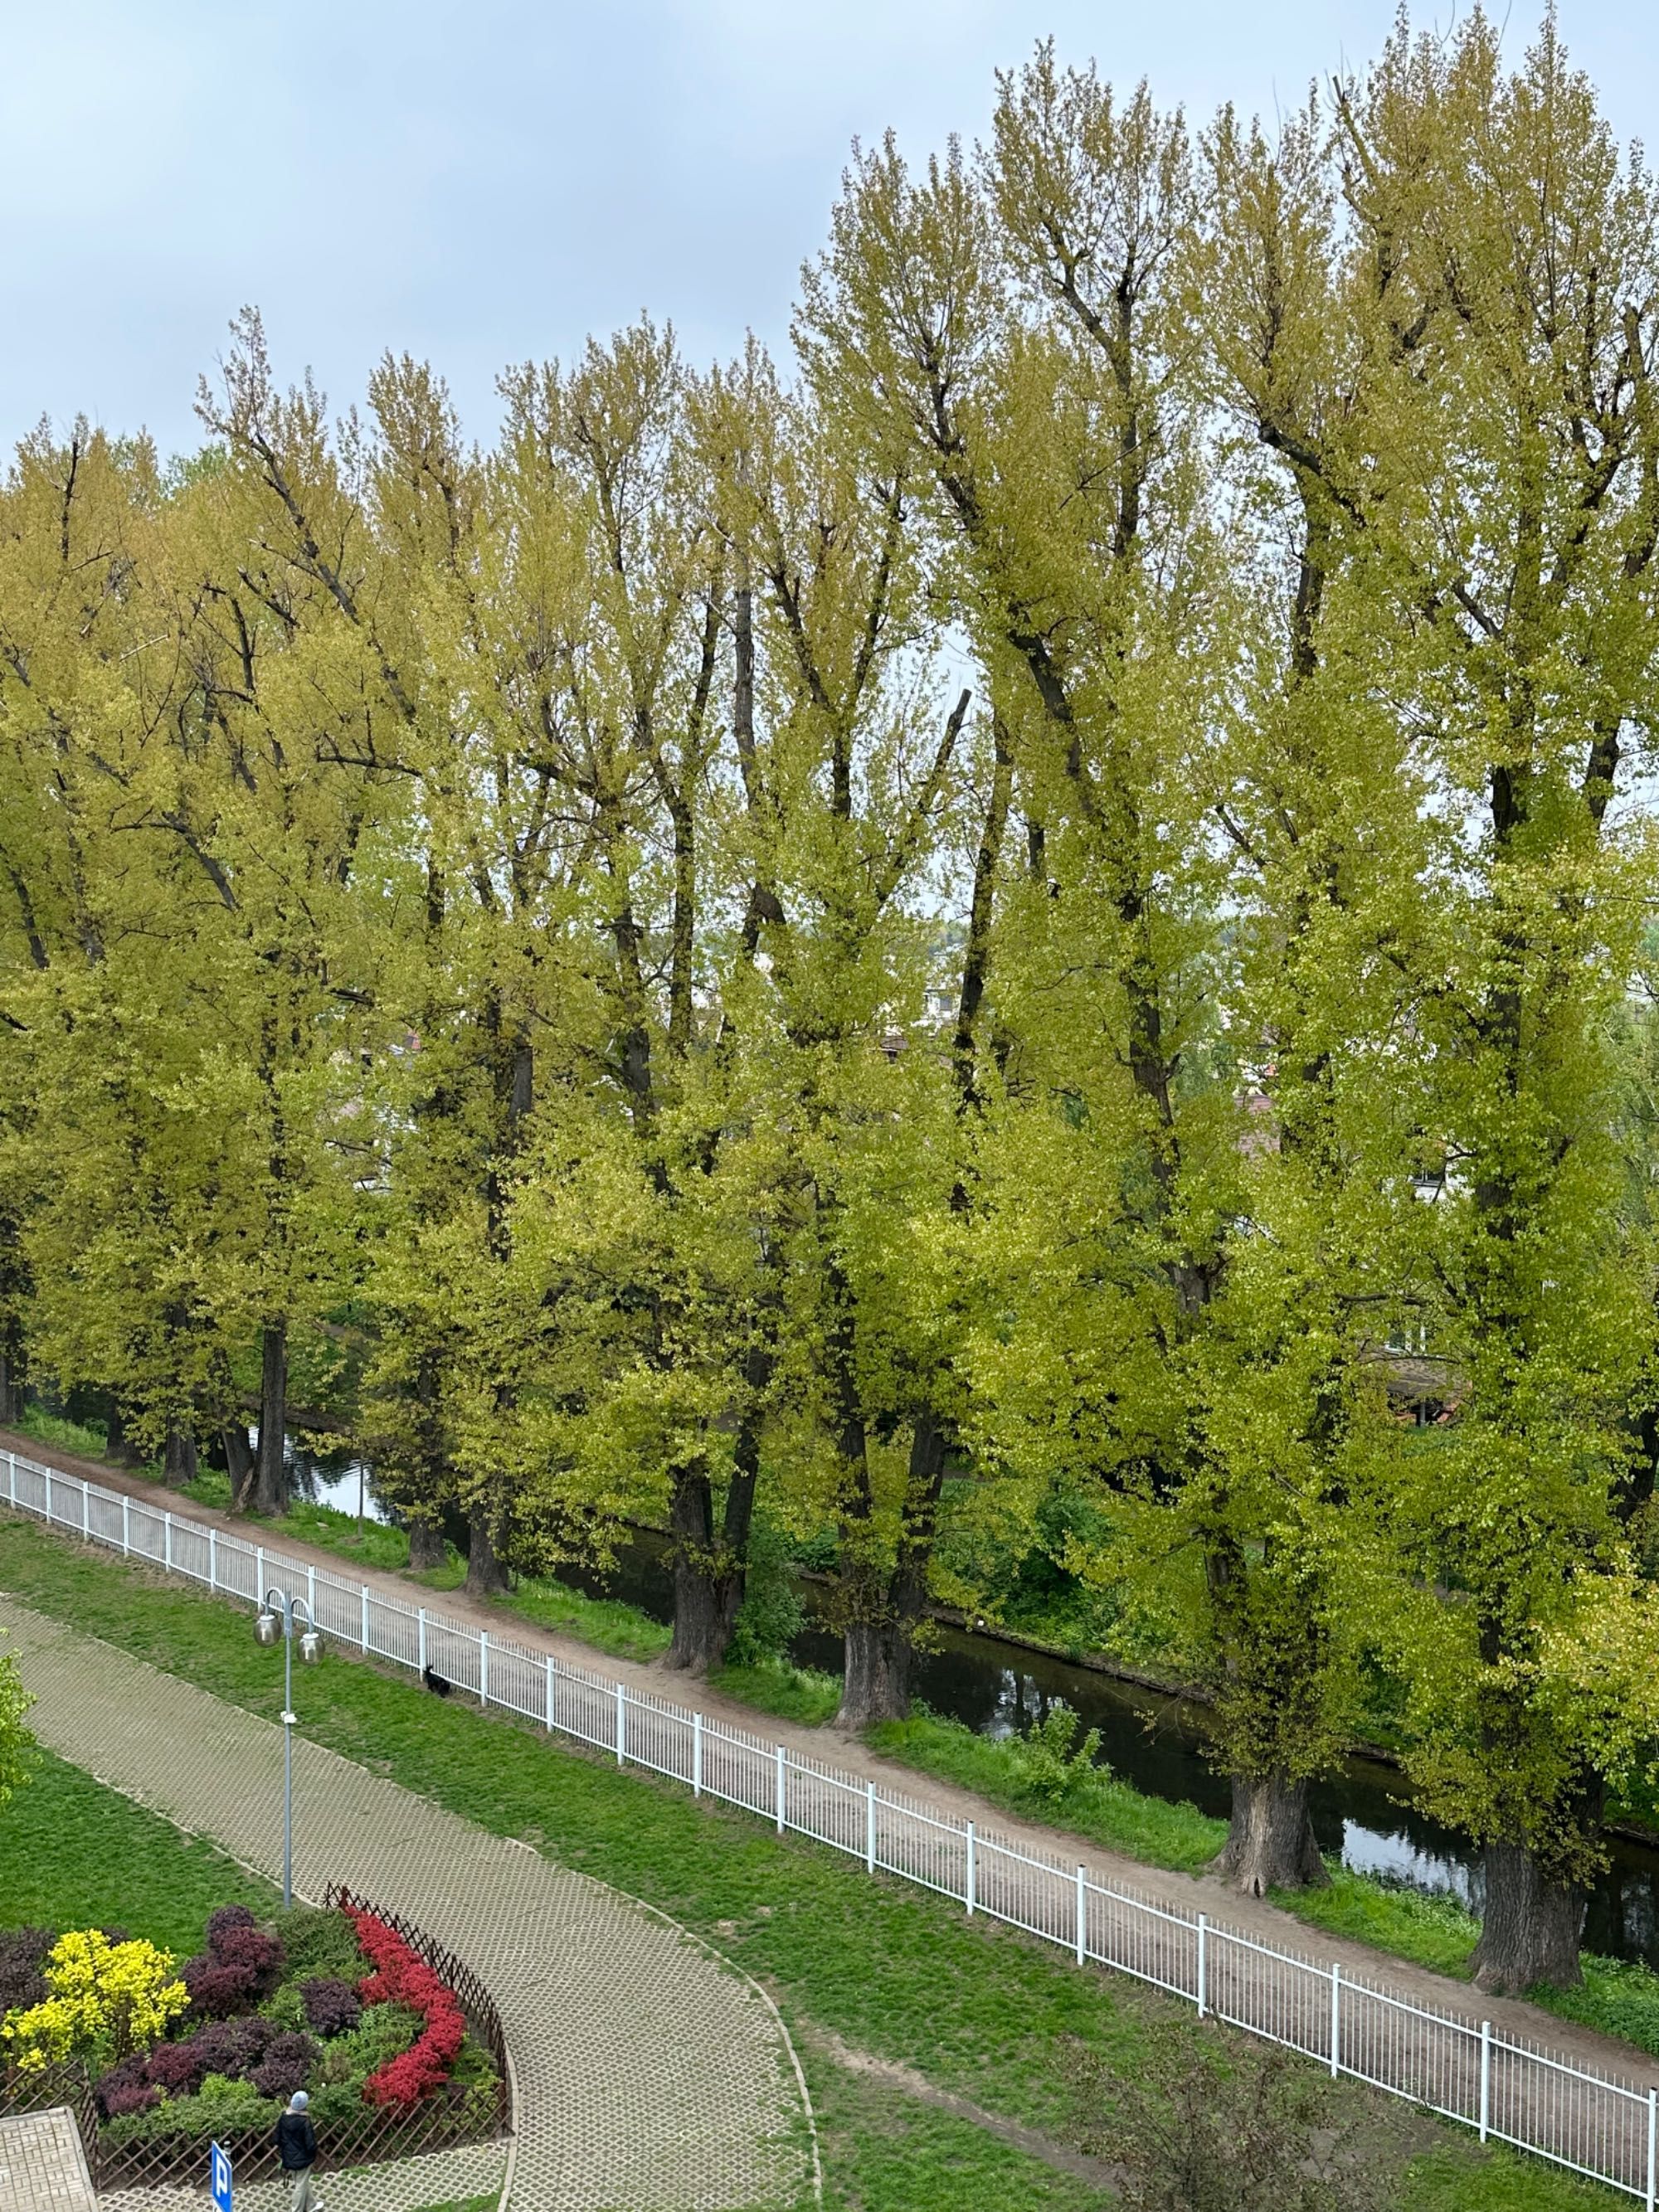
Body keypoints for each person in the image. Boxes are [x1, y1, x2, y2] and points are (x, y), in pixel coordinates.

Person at [275, 2087, 324, 2211]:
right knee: (300, 2185)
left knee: (301, 2182)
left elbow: (276, 2138)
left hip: (288, 2157)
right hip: (303, 2159)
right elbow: (310, 2144)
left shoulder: (283, 2117)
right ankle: (296, 2209)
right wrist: (314, 2152)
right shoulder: (304, 2121)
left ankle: (311, 2205)